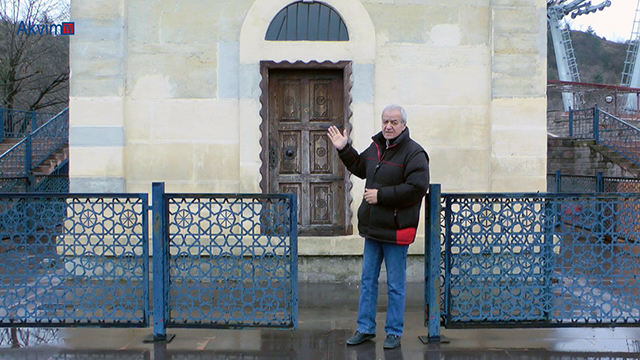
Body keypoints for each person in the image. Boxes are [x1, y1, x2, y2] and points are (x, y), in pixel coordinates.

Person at [327, 104, 429, 350]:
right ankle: (365, 328)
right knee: (368, 281)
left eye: (394, 122)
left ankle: (393, 332)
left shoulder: (415, 153)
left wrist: (381, 196)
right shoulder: (376, 147)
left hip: (395, 230)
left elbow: (417, 188)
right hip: (373, 229)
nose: (388, 126)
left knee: (395, 285)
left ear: (403, 125)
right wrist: (344, 149)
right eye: (385, 121)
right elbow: (361, 167)